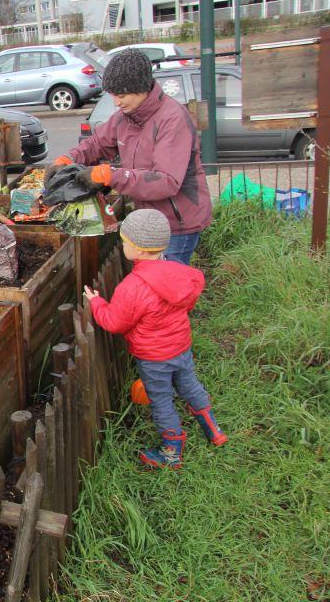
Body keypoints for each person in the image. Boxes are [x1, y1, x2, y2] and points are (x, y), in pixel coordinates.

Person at [83, 209, 227, 469]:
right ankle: (214, 429)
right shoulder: (178, 273)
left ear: (137, 249)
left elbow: (114, 322)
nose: (123, 246)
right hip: (180, 347)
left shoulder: (133, 286)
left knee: (161, 401)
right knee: (190, 385)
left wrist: (96, 302)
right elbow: (186, 305)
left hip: (153, 357)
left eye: (125, 242)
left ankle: (171, 453)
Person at [48, 49, 212, 264]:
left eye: (121, 95)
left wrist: (110, 176)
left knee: (167, 288)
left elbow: (166, 181)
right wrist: (69, 158)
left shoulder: (172, 120)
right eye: (113, 95)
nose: (116, 102)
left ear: (142, 89)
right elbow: (97, 144)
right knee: (148, 285)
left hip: (176, 224)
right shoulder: (126, 117)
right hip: (149, 218)